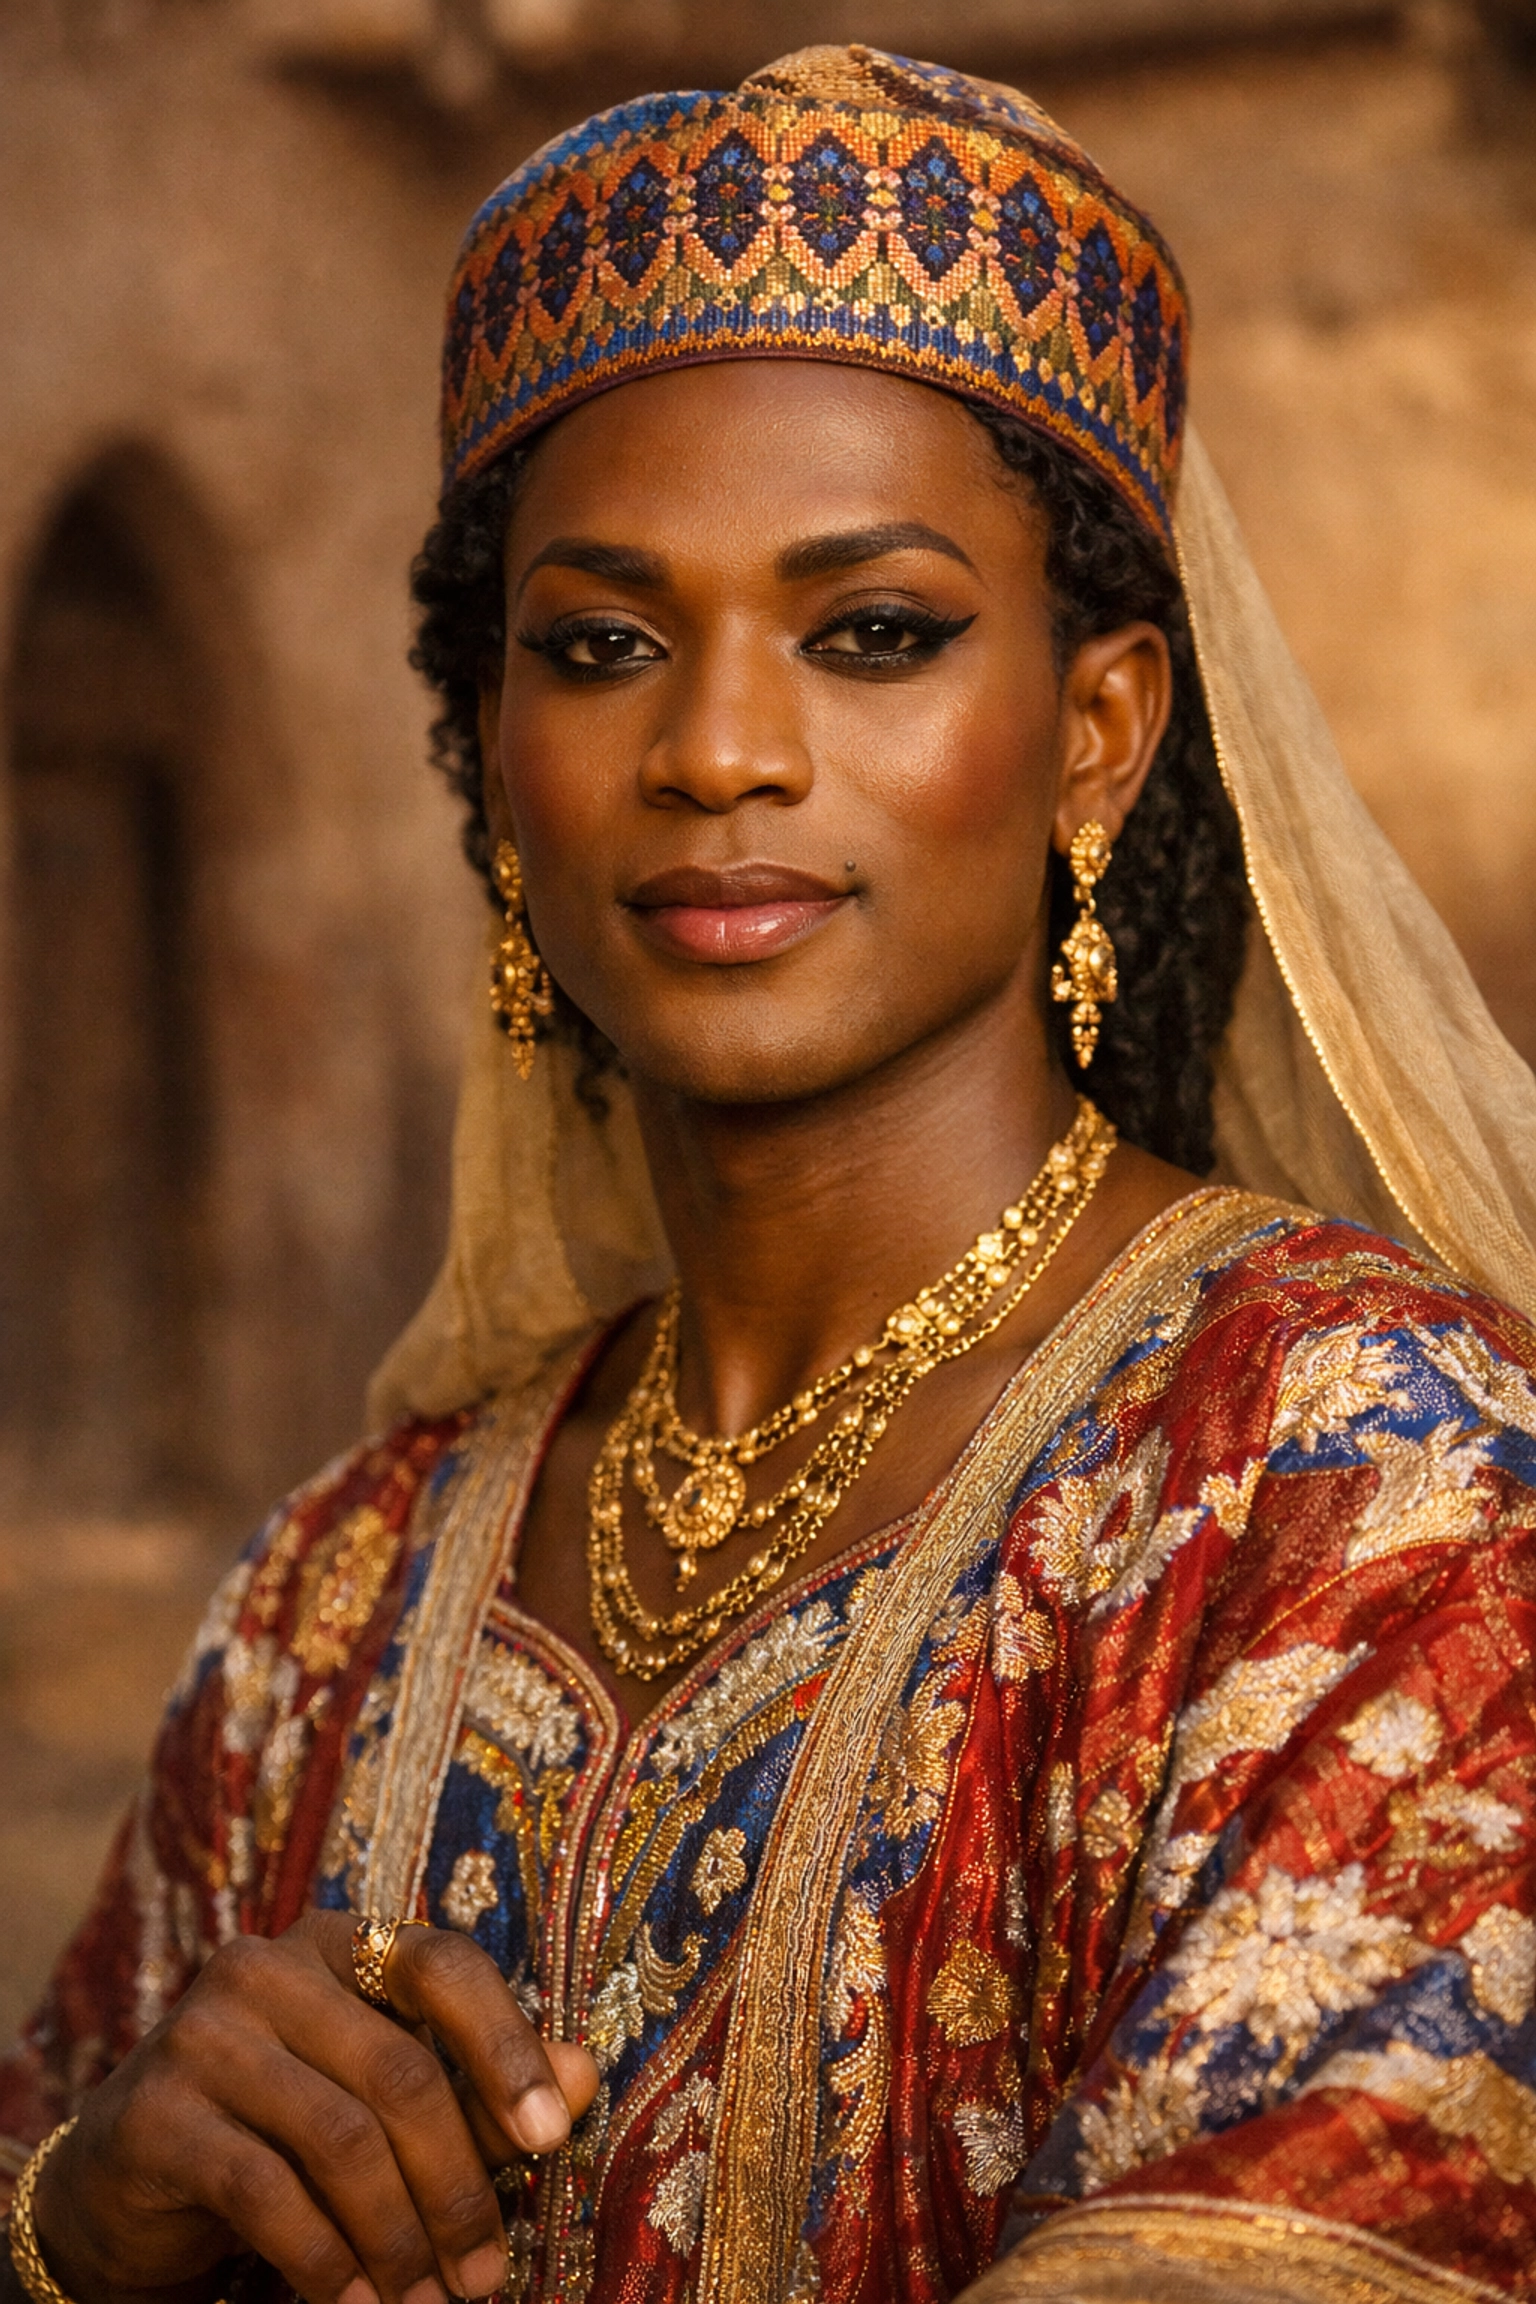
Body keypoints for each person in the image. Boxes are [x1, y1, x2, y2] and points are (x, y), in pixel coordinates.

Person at [3, 41, 1535, 2304]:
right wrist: (88, 2217)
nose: (716, 749)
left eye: (875, 633)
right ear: (497, 753)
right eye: (602, 645)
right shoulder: (331, 1601)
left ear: (1097, 728)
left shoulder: (1358, 1487)